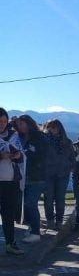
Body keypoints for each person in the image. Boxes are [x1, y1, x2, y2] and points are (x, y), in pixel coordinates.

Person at [15, 114, 48, 244]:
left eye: (22, 124)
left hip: (37, 176)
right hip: (24, 175)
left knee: (30, 203)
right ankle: (33, 227)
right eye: (18, 125)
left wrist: (28, 152)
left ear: (29, 124)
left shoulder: (39, 137)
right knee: (27, 204)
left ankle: (35, 232)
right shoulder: (20, 137)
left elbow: (42, 155)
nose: (20, 127)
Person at [42, 119, 75, 231]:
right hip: (48, 173)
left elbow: (72, 156)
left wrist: (71, 166)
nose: (52, 129)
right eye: (49, 127)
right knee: (48, 197)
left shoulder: (67, 142)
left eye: (54, 127)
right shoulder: (44, 141)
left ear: (60, 128)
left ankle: (59, 221)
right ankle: (50, 220)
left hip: (63, 173)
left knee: (60, 198)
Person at [0, 107, 25, 255]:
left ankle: (10, 243)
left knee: (8, 213)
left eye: (4, 121)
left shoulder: (13, 136)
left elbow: (22, 156)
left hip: (10, 180)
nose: (2, 124)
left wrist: (16, 155)